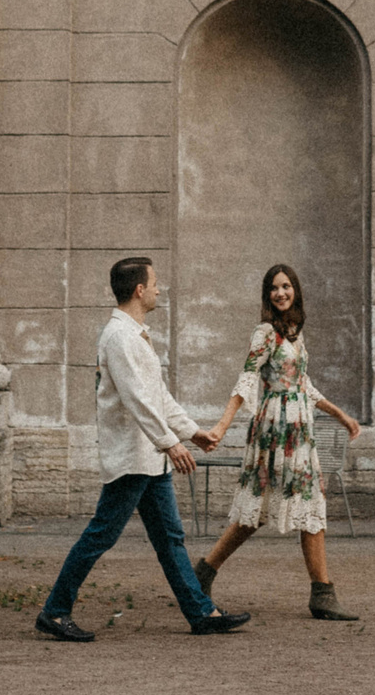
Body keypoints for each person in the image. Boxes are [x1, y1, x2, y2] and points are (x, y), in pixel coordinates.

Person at [35, 256, 252, 642]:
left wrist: (191, 432)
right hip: (133, 459)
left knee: (170, 539)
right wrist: (170, 443)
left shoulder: (134, 335)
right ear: (139, 290)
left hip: (149, 458)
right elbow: (137, 399)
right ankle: (54, 612)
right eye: (154, 283)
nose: (158, 289)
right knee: (100, 535)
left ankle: (201, 613)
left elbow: (158, 396)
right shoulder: (119, 337)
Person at [194, 264, 364, 622]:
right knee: (258, 509)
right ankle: (204, 573)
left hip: (300, 429)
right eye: (274, 288)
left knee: (310, 502)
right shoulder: (266, 333)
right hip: (274, 428)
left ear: (295, 291)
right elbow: (247, 379)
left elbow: (303, 385)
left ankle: (322, 593)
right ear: (267, 295)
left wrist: (341, 415)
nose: (280, 293)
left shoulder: (294, 335)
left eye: (286, 286)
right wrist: (222, 427)